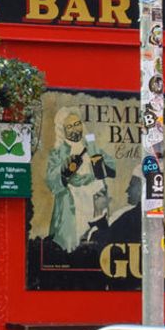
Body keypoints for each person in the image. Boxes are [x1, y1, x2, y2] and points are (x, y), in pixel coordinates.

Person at [45, 107, 118, 254]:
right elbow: (51, 181)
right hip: (73, 205)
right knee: (74, 247)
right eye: (69, 126)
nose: (75, 129)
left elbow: (112, 168)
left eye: (77, 124)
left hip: (96, 203)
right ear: (62, 130)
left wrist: (99, 163)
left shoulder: (90, 145)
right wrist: (64, 171)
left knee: (97, 244)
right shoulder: (58, 152)